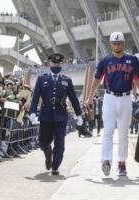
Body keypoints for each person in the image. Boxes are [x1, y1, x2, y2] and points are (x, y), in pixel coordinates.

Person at [86, 32, 139, 176]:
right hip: (109, 98)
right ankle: (106, 160)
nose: (117, 45)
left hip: (126, 98)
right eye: (114, 43)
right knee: (108, 130)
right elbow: (97, 80)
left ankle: (122, 163)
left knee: (123, 132)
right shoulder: (105, 61)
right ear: (111, 44)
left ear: (123, 43)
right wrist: (90, 97)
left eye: (119, 43)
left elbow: (138, 79)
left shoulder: (132, 60)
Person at [29, 53, 83, 175]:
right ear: (49, 64)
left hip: (60, 115)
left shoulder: (66, 80)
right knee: (43, 141)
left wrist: (78, 114)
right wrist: (32, 112)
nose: (56, 65)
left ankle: (55, 166)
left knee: (60, 142)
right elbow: (35, 97)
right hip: (46, 114)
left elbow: (73, 98)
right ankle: (48, 152)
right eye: (54, 63)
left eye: (58, 63)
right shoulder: (42, 79)